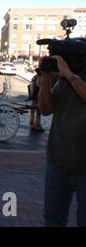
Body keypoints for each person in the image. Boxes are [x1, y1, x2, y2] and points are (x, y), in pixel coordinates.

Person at [38, 55, 86, 227]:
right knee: (53, 219)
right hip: (57, 161)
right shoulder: (66, 77)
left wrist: (71, 76)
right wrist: (45, 80)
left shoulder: (70, 76)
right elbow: (46, 110)